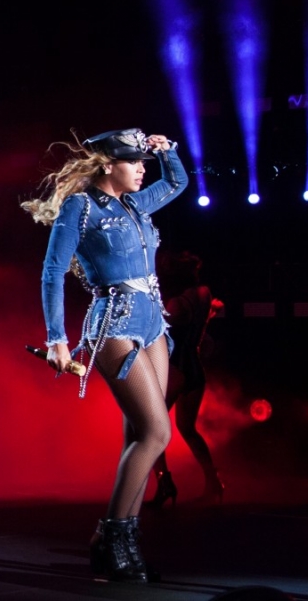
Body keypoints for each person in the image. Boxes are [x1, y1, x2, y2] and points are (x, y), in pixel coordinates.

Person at [27, 128, 187, 583]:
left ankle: (122, 547)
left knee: (138, 434)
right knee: (157, 432)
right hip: (115, 324)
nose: (141, 169)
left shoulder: (135, 204)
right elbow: (53, 271)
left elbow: (176, 183)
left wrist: (167, 151)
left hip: (153, 324)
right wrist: (57, 338)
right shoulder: (81, 206)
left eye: (142, 162)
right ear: (108, 164)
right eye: (133, 161)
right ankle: (110, 538)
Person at [146, 248, 223, 506]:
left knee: (149, 428)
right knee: (187, 429)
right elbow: (199, 320)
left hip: (176, 369)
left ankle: (165, 483)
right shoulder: (204, 294)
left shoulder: (176, 304)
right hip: (195, 368)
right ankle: (214, 481)